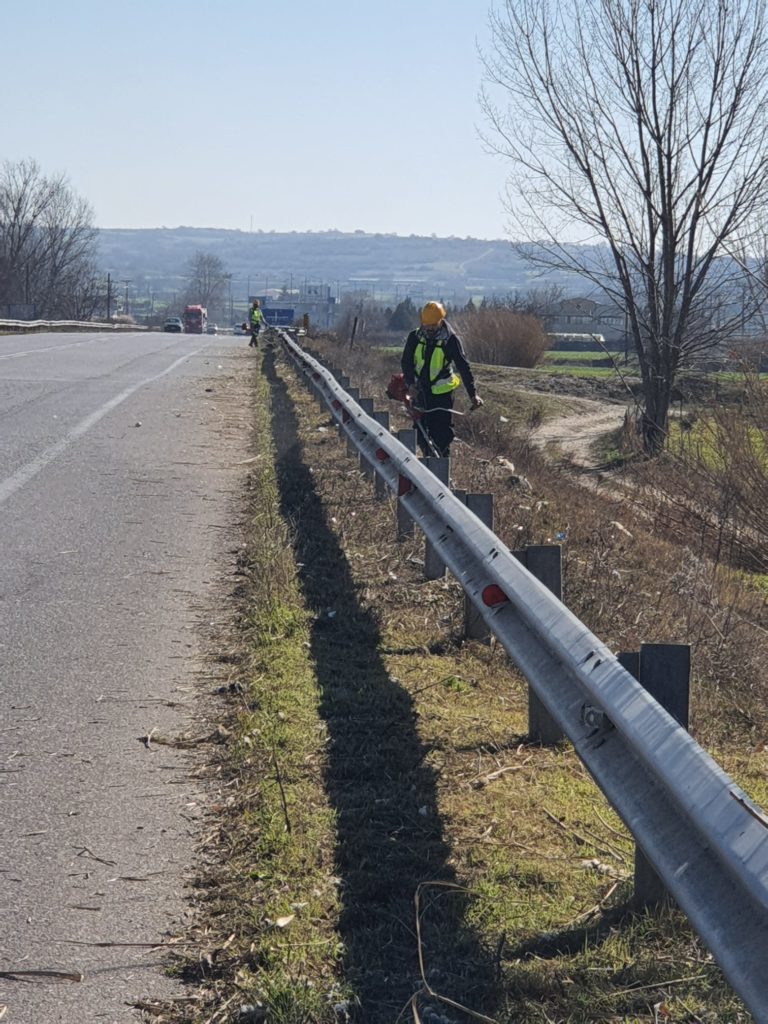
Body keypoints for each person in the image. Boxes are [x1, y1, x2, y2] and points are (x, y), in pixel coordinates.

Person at [400, 301, 483, 457]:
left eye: (433, 324)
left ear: (441, 321)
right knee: (421, 432)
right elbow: (406, 362)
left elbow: (463, 368)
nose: (429, 328)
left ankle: (441, 466)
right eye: (426, 325)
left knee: (442, 435)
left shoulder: (450, 341)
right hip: (420, 393)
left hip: (442, 395)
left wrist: (473, 394)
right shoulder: (415, 337)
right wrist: (410, 384)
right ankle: (427, 460)